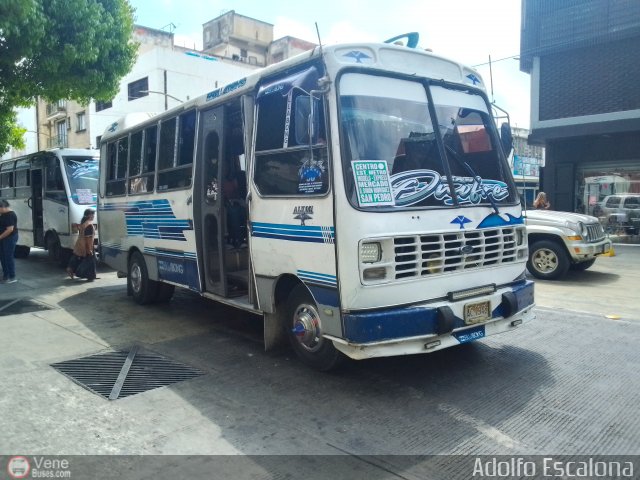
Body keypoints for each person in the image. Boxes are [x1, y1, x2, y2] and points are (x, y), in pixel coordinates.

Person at [66, 208, 97, 281]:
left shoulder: (84, 223)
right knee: (90, 261)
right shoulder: (89, 225)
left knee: (77, 258)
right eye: (92, 214)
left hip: (80, 244)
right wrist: (90, 250)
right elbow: (89, 239)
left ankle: (70, 268)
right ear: (89, 215)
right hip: (85, 246)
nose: (93, 216)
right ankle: (90, 276)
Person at [0, 199, 19, 283]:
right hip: (3, 238)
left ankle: (12, 276)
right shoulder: (3, 214)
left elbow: (10, 229)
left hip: (9, 238)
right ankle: (6, 275)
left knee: (8, 257)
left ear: (3, 207)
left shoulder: (10, 215)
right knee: (3, 257)